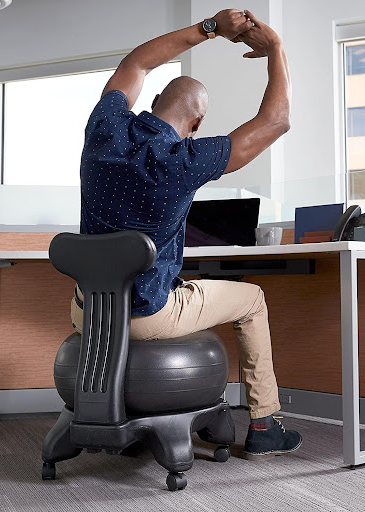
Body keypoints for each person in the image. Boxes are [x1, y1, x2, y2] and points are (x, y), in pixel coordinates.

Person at [71, 9, 302, 460]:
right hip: (146, 315)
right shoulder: (187, 160)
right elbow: (276, 121)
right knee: (252, 298)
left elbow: (137, 63)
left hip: (87, 309)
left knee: (166, 285)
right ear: (196, 125)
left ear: (154, 98)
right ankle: (265, 423)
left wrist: (210, 28)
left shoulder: (104, 128)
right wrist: (275, 49)